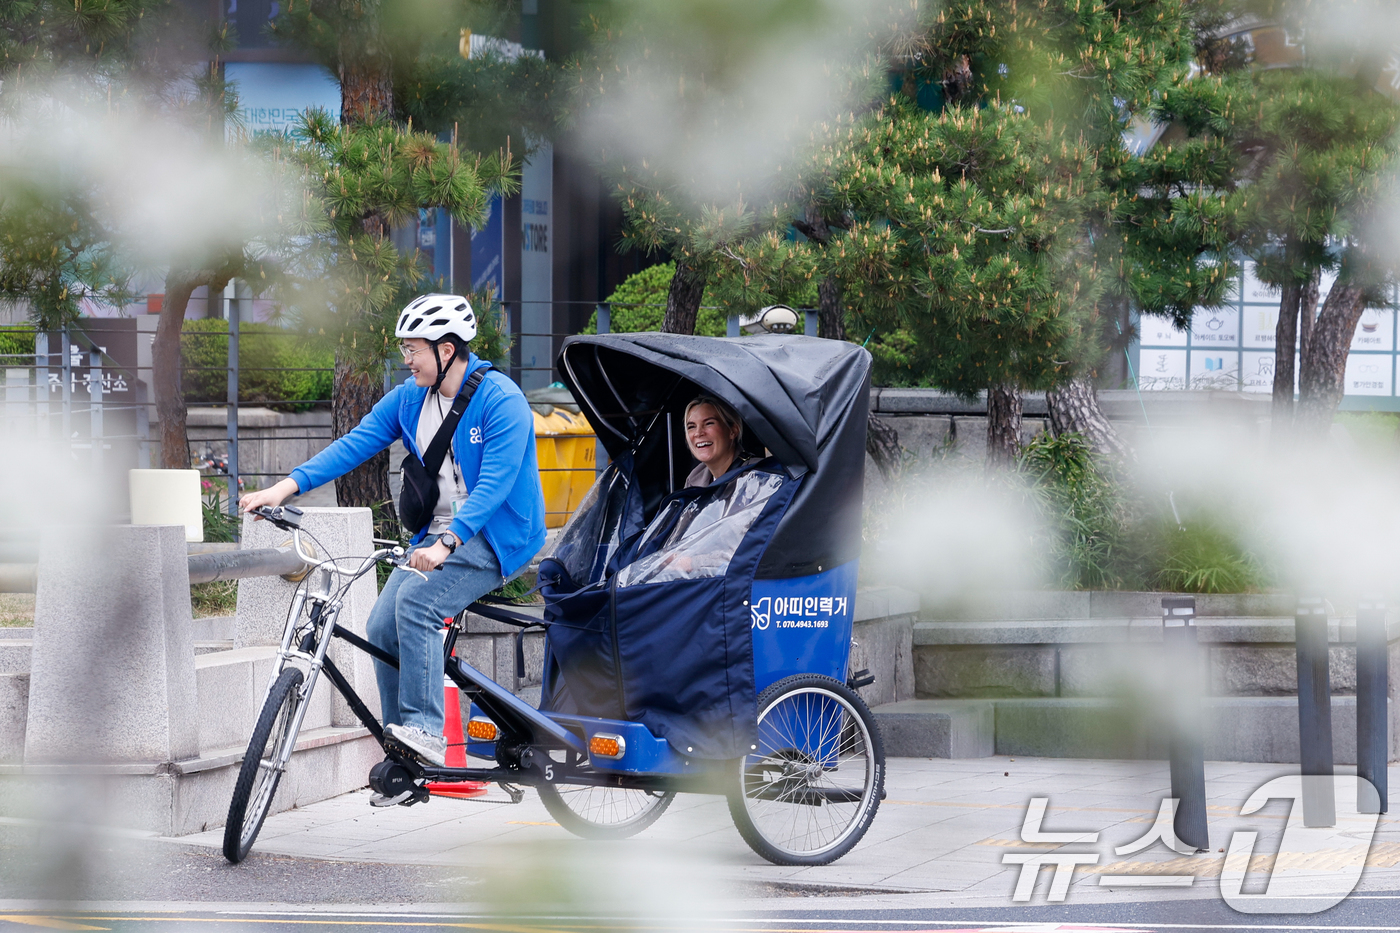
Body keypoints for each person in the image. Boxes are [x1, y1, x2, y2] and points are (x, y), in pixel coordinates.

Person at [238, 294, 545, 790]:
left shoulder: (501, 400)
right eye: (404, 349)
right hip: (435, 538)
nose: (407, 359)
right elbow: (354, 445)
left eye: (414, 349)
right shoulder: (409, 399)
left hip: (494, 537)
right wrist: (283, 487)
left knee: (419, 607)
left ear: (447, 349)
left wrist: (448, 543)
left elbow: (496, 485)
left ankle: (426, 729)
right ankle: (404, 747)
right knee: (382, 626)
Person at [683, 395, 752, 487]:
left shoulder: (757, 475)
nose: (698, 433)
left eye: (709, 423)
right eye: (691, 427)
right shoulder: (694, 479)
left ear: (733, 431)